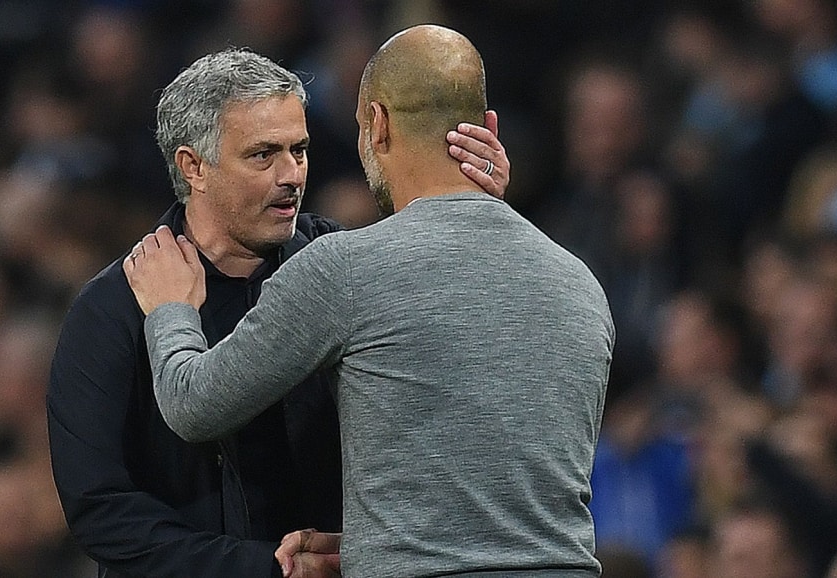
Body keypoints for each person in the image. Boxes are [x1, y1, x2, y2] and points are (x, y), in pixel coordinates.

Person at [125, 25, 614, 578]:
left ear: (377, 124)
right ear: (488, 128)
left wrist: (170, 309)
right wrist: (374, 541)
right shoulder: (580, 283)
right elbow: (502, 474)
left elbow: (192, 405)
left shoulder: (345, 270)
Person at [46, 47, 509, 578]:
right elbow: (101, 509)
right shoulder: (113, 308)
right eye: (263, 155)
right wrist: (267, 569)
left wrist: (477, 215)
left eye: (300, 149)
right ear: (194, 166)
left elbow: (453, 345)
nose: (292, 174)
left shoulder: (342, 268)